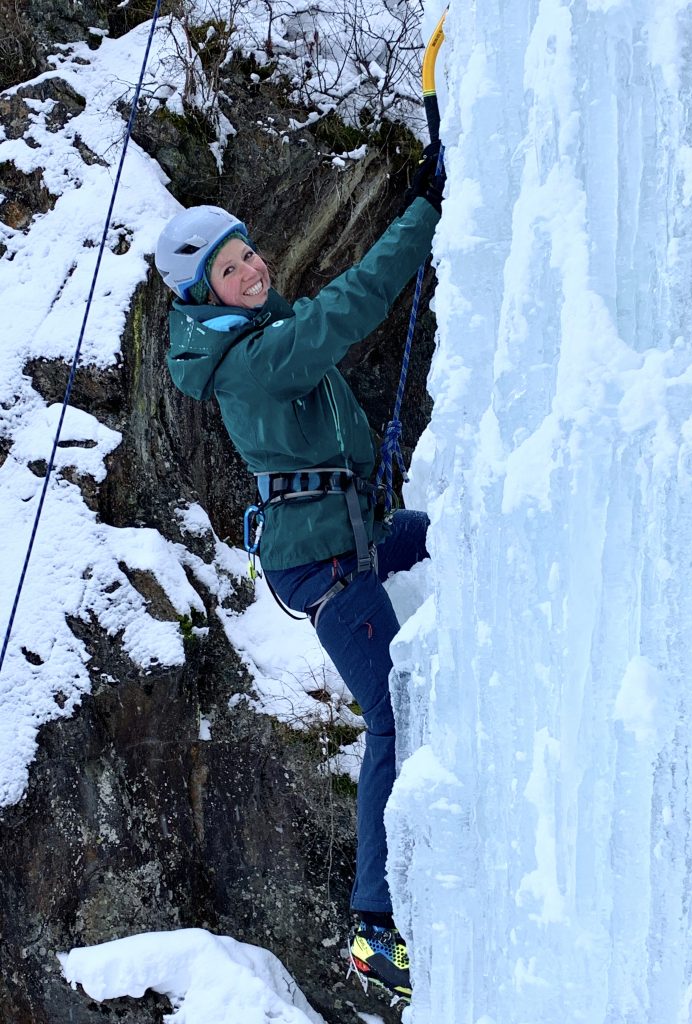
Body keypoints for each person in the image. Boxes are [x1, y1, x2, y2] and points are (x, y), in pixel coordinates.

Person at [154, 145, 444, 1002]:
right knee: (393, 712)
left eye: (249, 253)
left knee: (460, 544)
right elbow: (346, 311)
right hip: (322, 565)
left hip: (355, 532)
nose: (252, 268)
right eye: (231, 267)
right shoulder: (249, 360)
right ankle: (373, 927)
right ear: (206, 294)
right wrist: (422, 213)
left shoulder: (264, 338)